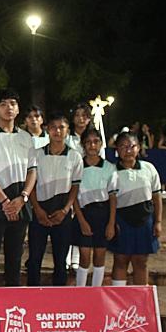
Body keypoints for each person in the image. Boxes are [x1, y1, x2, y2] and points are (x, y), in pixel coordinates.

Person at [0, 88, 37, 287]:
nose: (8, 108)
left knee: (15, 258)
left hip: (20, 202)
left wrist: (23, 198)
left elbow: (32, 171)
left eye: (12, 104)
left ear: (18, 109)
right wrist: (5, 202)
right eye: (3, 104)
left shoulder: (26, 137)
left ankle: (13, 304)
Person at [26, 113, 83, 287]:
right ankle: (32, 296)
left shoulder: (74, 156)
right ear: (47, 130)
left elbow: (75, 186)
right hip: (39, 211)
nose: (57, 131)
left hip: (62, 213)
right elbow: (32, 183)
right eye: (53, 127)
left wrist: (65, 210)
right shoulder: (36, 154)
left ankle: (59, 300)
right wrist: (37, 209)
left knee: (60, 261)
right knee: (35, 259)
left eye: (61, 127)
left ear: (67, 131)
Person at [109, 131, 163, 286]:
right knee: (120, 259)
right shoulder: (111, 172)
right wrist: (111, 223)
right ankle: (118, 301)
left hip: (144, 220)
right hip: (121, 220)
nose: (128, 150)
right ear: (117, 150)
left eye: (132, 146)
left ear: (139, 148)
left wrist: (158, 221)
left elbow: (157, 197)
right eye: (123, 146)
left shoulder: (149, 168)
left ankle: (140, 301)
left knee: (141, 261)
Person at [72, 128, 118, 287]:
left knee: (100, 255)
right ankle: (80, 292)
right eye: (88, 142)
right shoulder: (77, 167)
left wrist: (111, 223)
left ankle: (96, 291)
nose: (92, 145)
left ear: (101, 144)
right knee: (84, 255)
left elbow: (113, 197)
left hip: (103, 214)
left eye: (96, 141)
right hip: (84, 214)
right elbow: (74, 196)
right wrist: (81, 220)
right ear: (83, 145)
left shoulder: (109, 168)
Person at [65, 103, 92, 270]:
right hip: (68, 184)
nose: (81, 119)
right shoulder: (67, 138)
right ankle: (65, 256)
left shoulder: (94, 138)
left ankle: (75, 258)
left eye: (84, 116)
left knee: (82, 220)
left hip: (88, 186)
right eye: (77, 115)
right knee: (68, 220)